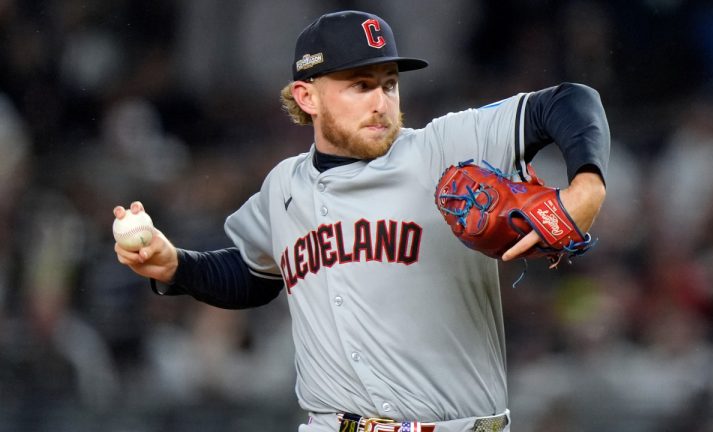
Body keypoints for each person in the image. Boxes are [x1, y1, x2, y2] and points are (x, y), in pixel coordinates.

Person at [113, 10, 609, 432]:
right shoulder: (284, 187)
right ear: (307, 97)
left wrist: (587, 185)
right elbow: (251, 275)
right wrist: (175, 266)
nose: (381, 102)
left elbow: (571, 101)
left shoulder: (443, 146)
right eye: (360, 86)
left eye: (389, 84)